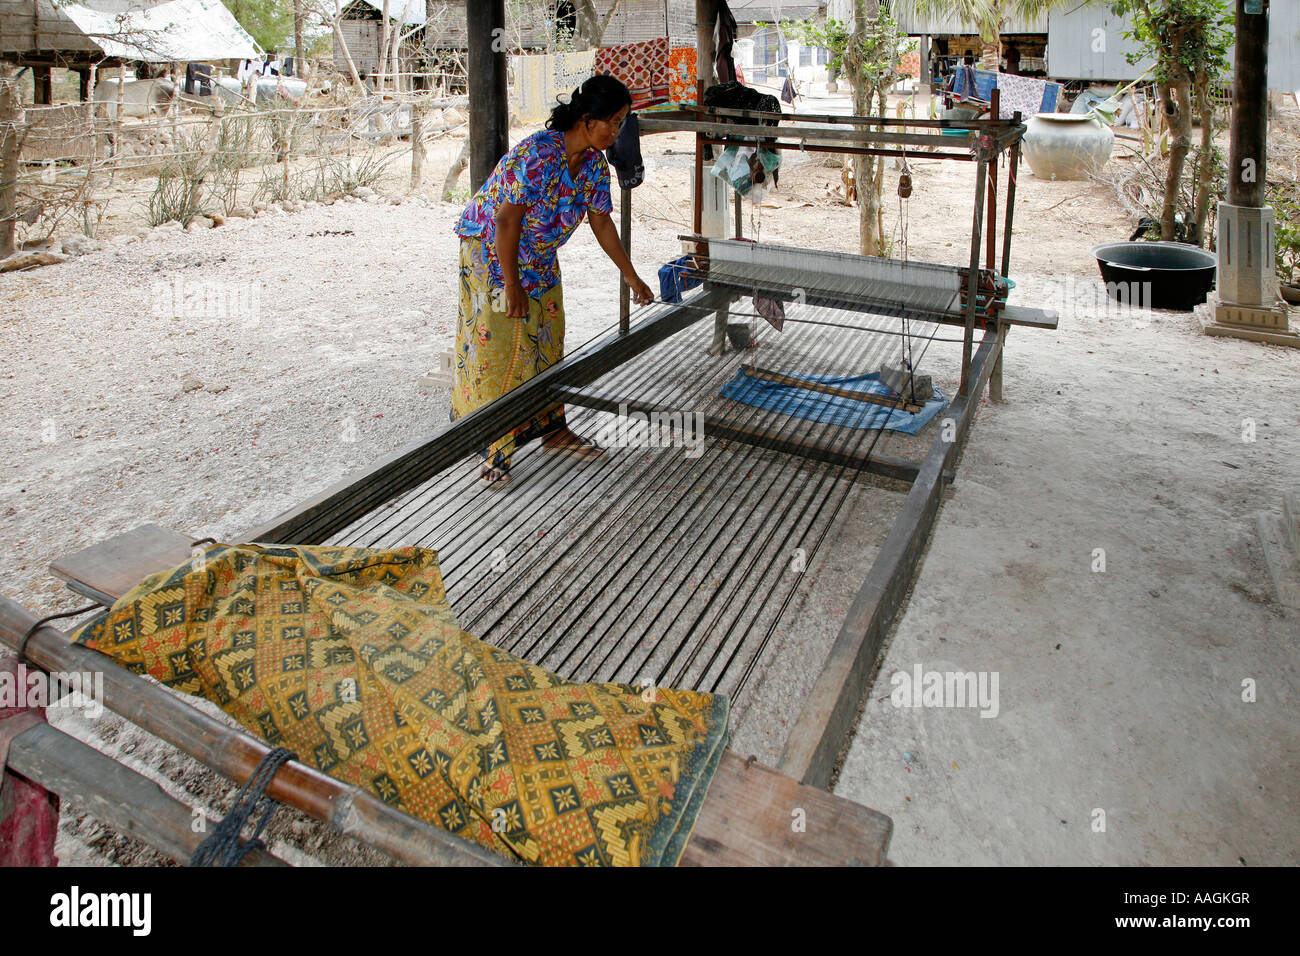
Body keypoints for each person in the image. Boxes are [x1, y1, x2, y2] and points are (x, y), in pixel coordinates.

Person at [451, 75, 654, 487]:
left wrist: (631, 275)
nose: (617, 132)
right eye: (613, 122)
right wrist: (511, 286)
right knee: (502, 346)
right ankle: (494, 446)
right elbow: (506, 223)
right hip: (492, 253)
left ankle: (553, 431)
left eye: (621, 123)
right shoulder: (537, 155)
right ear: (587, 118)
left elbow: (601, 223)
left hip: (538, 256)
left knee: (548, 338)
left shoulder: (594, 166)